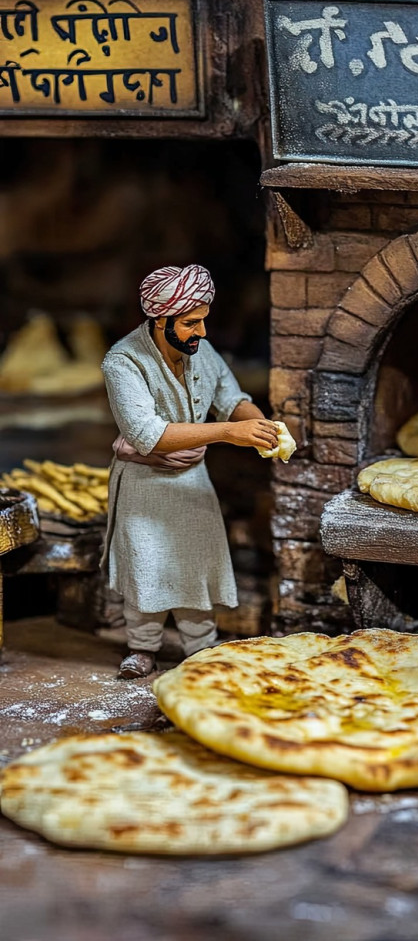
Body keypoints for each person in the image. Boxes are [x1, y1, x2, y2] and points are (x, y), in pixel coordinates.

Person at [101, 264, 279, 679]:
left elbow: (230, 396)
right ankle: (142, 647)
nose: (200, 331)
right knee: (146, 565)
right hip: (145, 483)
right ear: (160, 320)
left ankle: (201, 646)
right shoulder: (123, 362)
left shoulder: (199, 349)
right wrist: (230, 433)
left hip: (191, 481)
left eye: (202, 320)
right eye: (190, 322)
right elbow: (147, 433)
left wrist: (259, 425)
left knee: (196, 564)